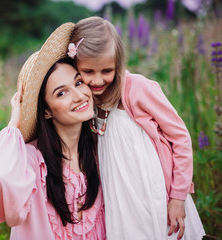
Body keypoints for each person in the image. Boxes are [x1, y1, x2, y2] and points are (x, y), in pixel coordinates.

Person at [68, 16, 205, 240]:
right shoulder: (86, 101)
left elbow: (180, 137)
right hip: (120, 198)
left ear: (118, 64)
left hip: (156, 193)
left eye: (107, 70)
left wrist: (178, 197)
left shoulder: (137, 89)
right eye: (88, 71)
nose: (98, 80)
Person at [0, 23, 106, 240]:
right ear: (46, 112)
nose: (79, 95)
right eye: (62, 93)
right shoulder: (33, 162)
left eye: (79, 82)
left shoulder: (98, 149)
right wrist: (14, 125)